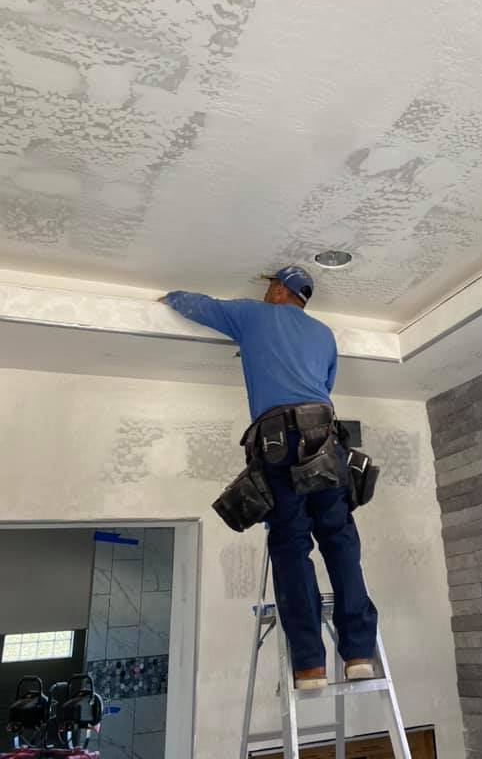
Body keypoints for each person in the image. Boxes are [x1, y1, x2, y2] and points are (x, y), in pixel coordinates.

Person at [160, 266, 378, 689]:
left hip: (277, 443)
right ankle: (358, 654)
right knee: (339, 540)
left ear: (279, 290)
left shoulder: (253, 317)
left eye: (268, 289)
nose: (264, 296)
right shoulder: (324, 334)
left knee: (292, 545)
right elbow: (326, 383)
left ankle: (310, 664)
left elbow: (201, 307)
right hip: (325, 441)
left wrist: (169, 296)